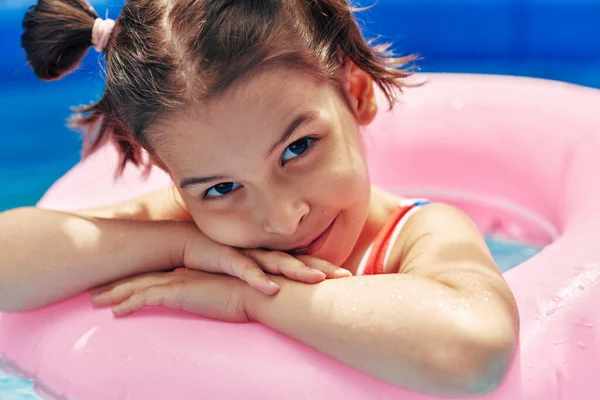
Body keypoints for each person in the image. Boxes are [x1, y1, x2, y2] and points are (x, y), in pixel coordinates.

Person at [0, 0, 519, 396]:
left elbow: (473, 350)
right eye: (222, 188)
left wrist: (253, 299)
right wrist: (180, 247)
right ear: (170, 175)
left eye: (297, 149)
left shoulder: (418, 235)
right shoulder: (187, 228)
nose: (280, 218)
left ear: (355, 93)